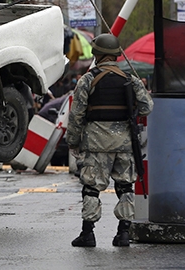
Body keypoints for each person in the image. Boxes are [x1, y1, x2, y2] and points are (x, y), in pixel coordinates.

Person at [66, 33, 153, 248]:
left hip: (96, 143)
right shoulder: (129, 80)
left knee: (91, 188)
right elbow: (147, 107)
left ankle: (88, 234)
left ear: (97, 54)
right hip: (124, 143)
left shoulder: (87, 80)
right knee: (125, 187)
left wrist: (73, 141)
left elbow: (76, 114)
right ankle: (124, 233)